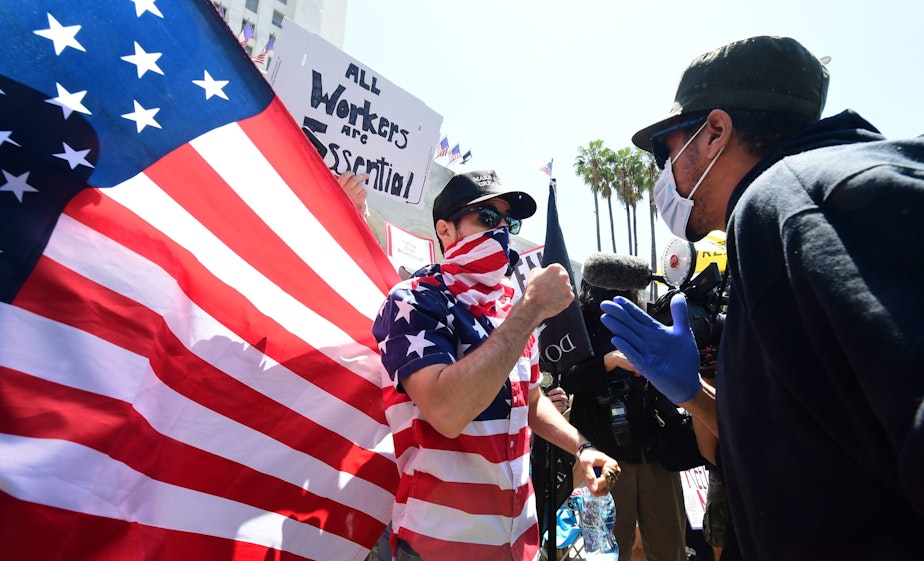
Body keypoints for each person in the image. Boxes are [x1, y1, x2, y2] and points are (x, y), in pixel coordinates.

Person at [598, 35, 924, 560]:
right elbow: (811, 441)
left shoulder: (789, 198)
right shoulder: (792, 206)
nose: (665, 172)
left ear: (716, 133)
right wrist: (695, 394)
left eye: (666, 148)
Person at [372, 169, 619, 561]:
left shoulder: (509, 306)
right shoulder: (414, 299)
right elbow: (446, 412)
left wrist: (581, 447)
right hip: (440, 546)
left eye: (510, 222)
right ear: (446, 231)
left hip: (519, 541)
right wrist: (531, 309)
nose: (502, 231)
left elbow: (530, 398)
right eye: (488, 218)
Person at [560, 280, 688, 561]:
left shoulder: (646, 319)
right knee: (610, 549)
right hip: (607, 457)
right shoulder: (579, 324)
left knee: (669, 546)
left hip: (656, 453)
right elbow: (566, 379)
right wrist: (609, 361)